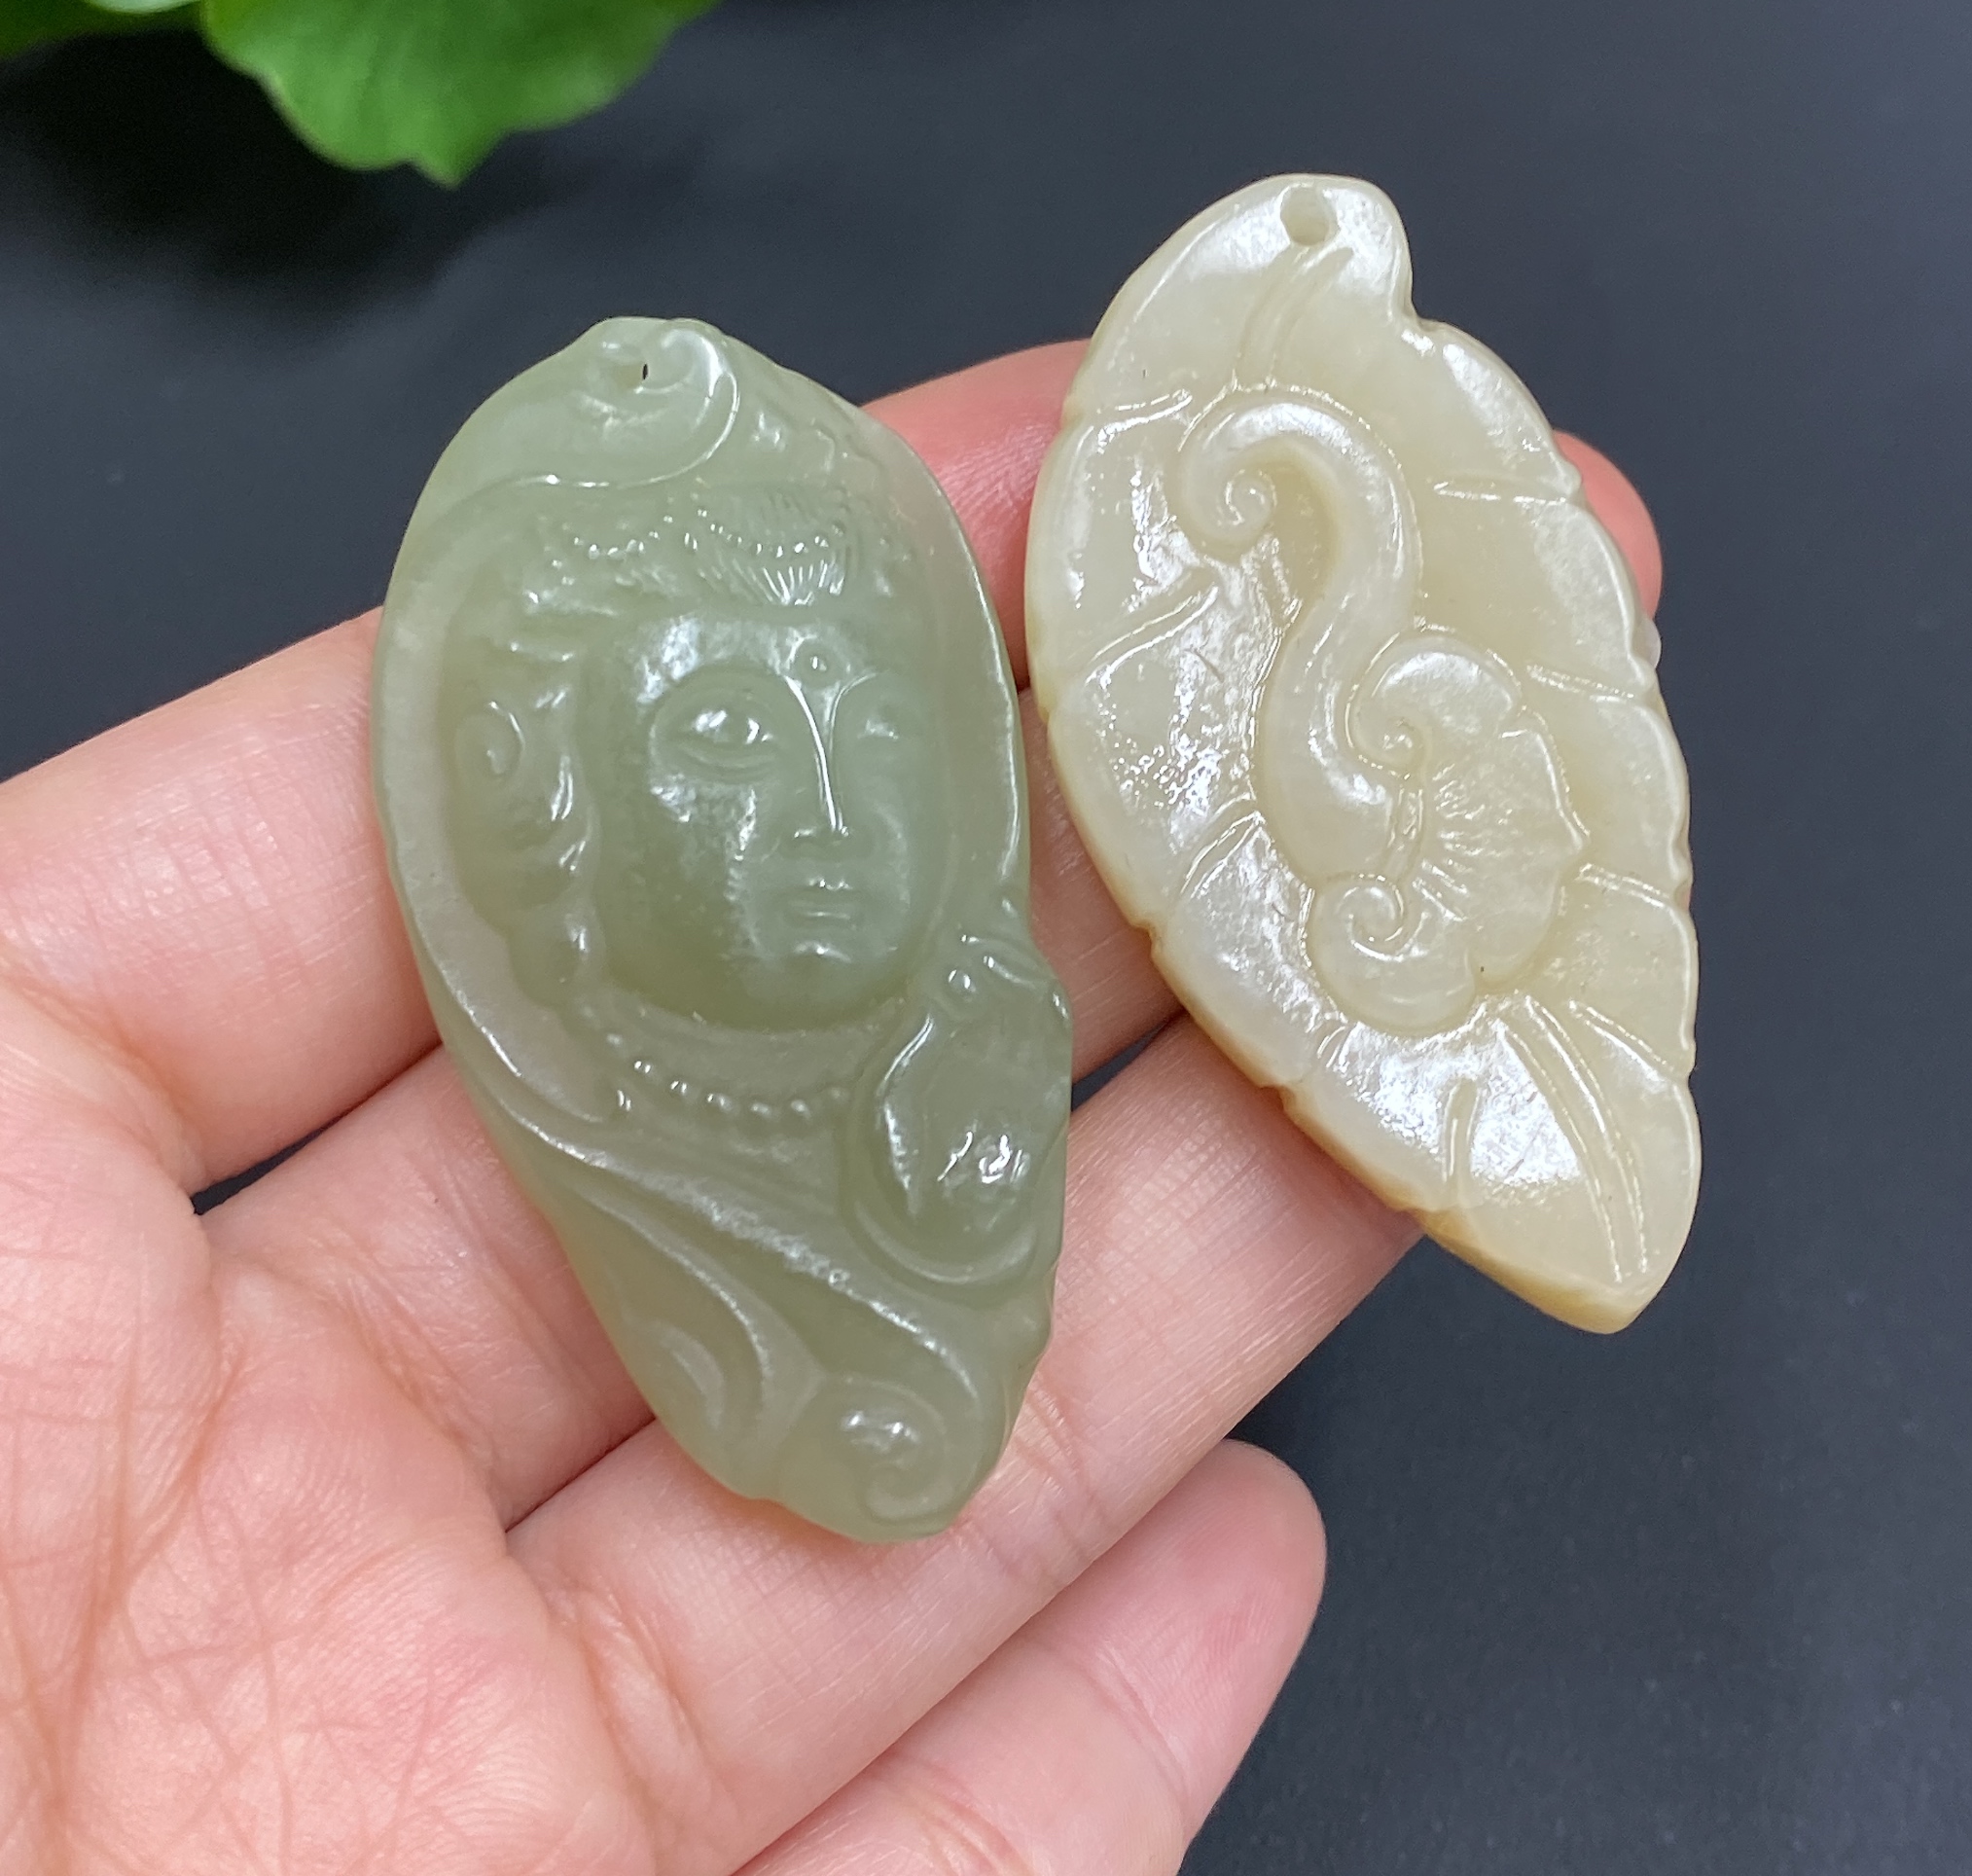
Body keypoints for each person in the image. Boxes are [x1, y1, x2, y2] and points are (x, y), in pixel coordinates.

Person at [0, 342, 1662, 1874]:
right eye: (725, 728)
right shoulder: (631, 1134)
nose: (824, 802)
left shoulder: (948, 1112)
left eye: (868, 724)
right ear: (552, 798)